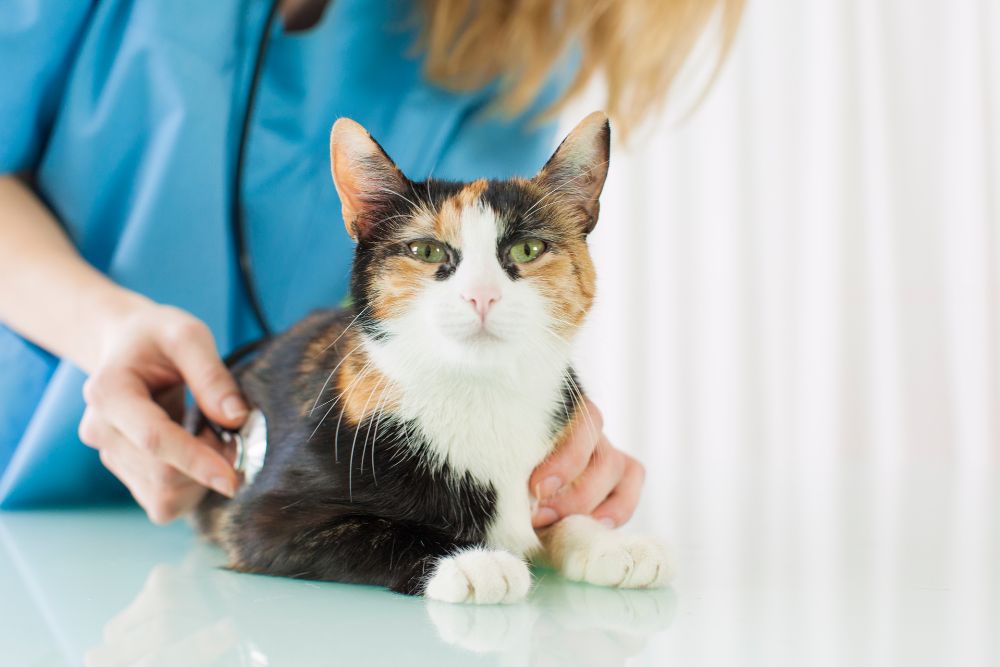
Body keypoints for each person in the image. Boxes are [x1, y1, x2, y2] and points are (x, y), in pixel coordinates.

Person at [0, 0, 742, 524]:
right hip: (29, 498)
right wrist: (104, 328)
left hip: (306, 513)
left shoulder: (511, 33)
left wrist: (537, 425)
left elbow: (467, 313)